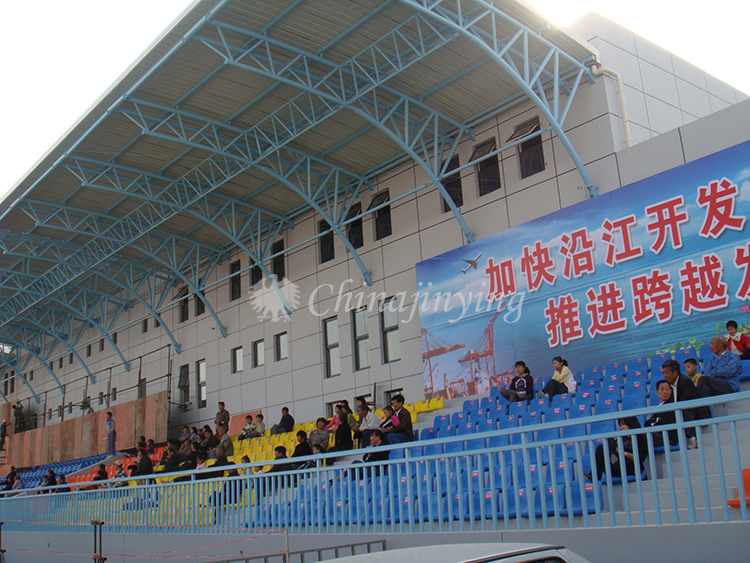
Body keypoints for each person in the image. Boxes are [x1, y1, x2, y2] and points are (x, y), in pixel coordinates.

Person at [585, 417, 647, 482]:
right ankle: (595, 476)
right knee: (602, 446)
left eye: (623, 425)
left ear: (631, 424)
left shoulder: (641, 438)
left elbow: (640, 458)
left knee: (607, 444)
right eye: (620, 425)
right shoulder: (621, 438)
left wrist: (623, 453)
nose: (621, 428)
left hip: (631, 468)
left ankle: (613, 459)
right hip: (616, 467)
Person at [660, 360, 700, 448]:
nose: (664, 376)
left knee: (684, 410)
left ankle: (692, 439)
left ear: (675, 373)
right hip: (677, 412)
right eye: (663, 373)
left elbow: (687, 401)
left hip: (693, 412)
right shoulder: (669, 385)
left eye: (666, 373)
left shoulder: (686, 382)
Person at [644, 380, 678, 448]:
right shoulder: (659, 407)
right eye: (662, 390)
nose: (665, 392)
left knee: (643, 437)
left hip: (667, 438)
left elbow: (662, 423)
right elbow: (647, 423)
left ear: (671, 391)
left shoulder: (672, 407)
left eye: (667, 389)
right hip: (658, 436)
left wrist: (652, 423)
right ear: (657, 392)